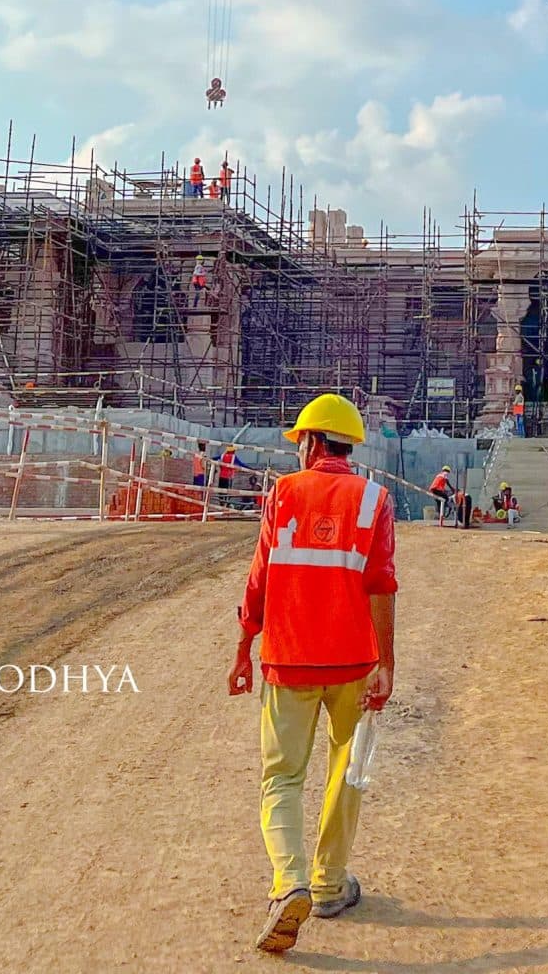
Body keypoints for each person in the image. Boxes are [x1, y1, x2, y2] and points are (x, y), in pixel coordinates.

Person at [230, 392, 397, 954]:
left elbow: (260, 576)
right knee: (345, 773)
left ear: (310, 442)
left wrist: (243, 645)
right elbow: (382, 587)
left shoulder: (283, 492)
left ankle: (289, 883)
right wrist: (386, 665)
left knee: (281, 778)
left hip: (288, 659)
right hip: (353, 663)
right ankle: (328, 884)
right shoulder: (376, 498)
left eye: (299, 440)